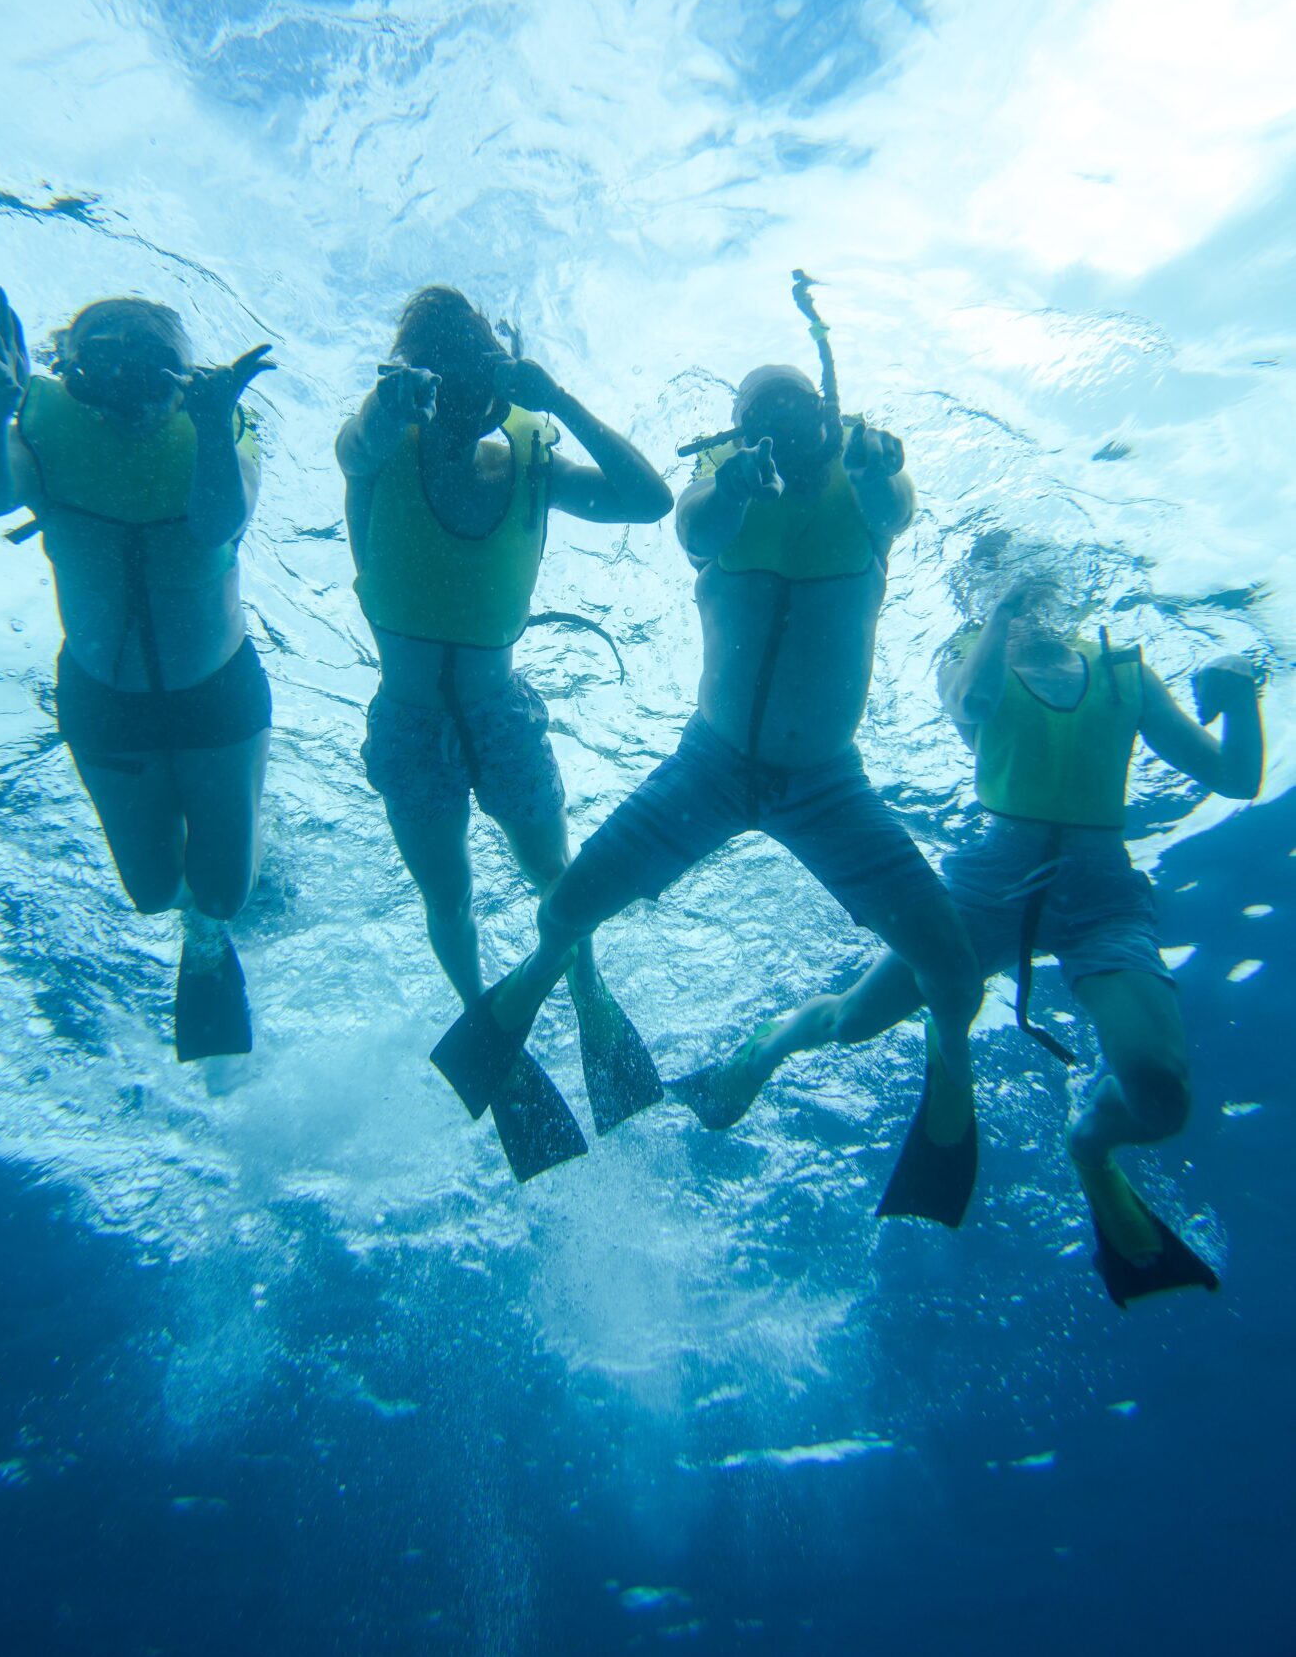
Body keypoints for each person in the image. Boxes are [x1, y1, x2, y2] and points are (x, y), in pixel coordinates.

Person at [431, 343, 983, 1210]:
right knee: (563, 911)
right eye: (756, 419)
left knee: (953, 976)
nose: (778, 432)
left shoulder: (867, 482)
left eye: (794, 411)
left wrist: (879, 472)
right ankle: (529, 992)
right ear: (734, 432)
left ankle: (946, 1082)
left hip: (828, 787)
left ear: (827, 416)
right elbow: (693, 528)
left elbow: (895, 507)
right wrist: (732, 486)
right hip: (710, 768)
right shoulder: (719, 484)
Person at [681, 562, 1265, 1303]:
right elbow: (973, 703)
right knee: (854, 1021)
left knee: (1161, 1095)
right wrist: (1001, 619)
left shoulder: (1125, 673)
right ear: (977, 597)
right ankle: (767, 1046)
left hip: (1104, 898)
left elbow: (1234, 777)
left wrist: (1239, 695)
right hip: (990, 883)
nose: (1026, 598)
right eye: (1001, 588)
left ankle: (1089, 1144)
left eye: (1036, 584)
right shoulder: (966, 657)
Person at [336, 285, 672, 1179]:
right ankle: (488, 1022)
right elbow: (354, 444)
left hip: (499, 713)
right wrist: (384, 405)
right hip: (409, 722)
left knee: (555, 875)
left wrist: (558, 400)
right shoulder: (379, 452)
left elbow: (649, 501)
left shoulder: (529, 467)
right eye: (436, 378)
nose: (457, 396)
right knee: (447, 894)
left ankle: (587, 989)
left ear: (500, 379)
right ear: (410, 380)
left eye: (474, 375)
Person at [0, 285, 274, 1062]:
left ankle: (222, 902)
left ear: (179, 380)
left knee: (223, 894)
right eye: (109, 378)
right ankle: (203, 896)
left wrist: (208, 422)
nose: (132, 400)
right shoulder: (42, 429)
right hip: (105, 702)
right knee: (153, 893)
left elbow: (218, 524)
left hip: (216, 694)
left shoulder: (223, 427)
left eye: (151, 379)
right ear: (76, 378)